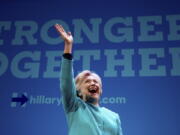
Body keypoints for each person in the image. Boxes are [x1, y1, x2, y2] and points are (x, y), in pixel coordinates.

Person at [55, 24, 123, 135]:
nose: (93, 83)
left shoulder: (114, 117)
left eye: (96, 81)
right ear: (78, 91)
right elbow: (66, 81)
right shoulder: (74, 106)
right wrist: (68, 45)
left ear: (100, 90)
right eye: (87, 81)